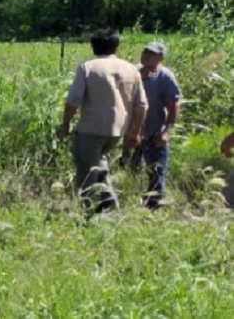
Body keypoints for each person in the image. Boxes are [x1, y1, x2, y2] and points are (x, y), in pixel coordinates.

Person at [59, 29, 148, 214]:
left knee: (86, 173)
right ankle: (108, 206)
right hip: (116, 132)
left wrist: (66, 124)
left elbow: (73, 101)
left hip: (90, 129)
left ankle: (88, 212)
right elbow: (141, 105)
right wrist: (136, 131)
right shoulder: (131, 69)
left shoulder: (88, 67)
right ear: (116, 48)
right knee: (100, 165)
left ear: (93, 47)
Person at [119, 42, 182, 210]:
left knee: (156, 172)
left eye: (151, 53)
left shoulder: (165, 77)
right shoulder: (131, 72)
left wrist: (167, 132)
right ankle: (129, 203)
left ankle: (152, 209)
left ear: (160, 58)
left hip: (155, 132)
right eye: (145, 51)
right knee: (129, 169)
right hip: (130, 132)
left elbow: (174, 104)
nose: (146, 54)